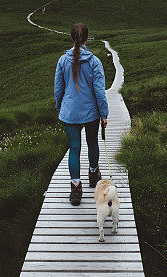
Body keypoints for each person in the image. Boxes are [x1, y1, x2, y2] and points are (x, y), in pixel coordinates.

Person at [54, 23, 109, 205]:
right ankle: (94, 174)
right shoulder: (94, 62)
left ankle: (76, 189)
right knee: (92, 142)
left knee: (74, 148)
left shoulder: (62, 60)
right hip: (91, 111)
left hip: (69, 111)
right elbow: (99, 91)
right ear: (87, 38)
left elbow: (58, 88)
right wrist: (104, 113)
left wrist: (59, 106)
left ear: (72, 38)